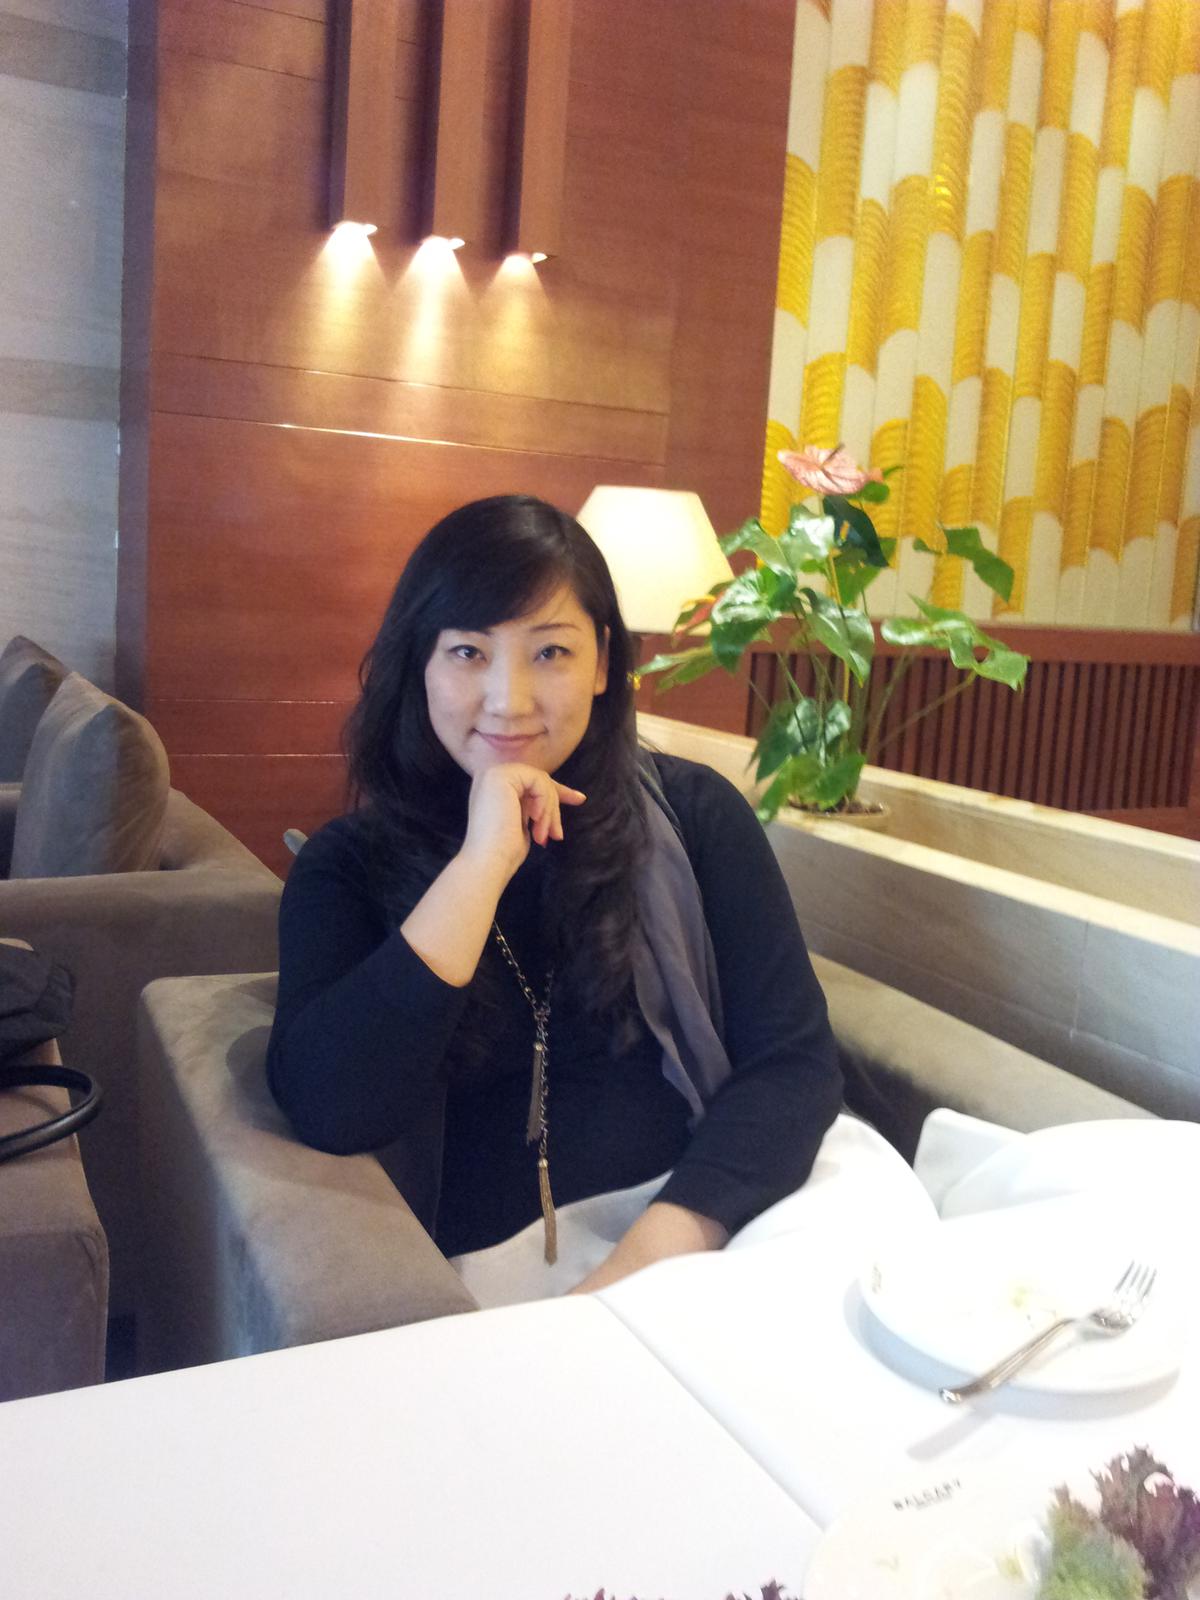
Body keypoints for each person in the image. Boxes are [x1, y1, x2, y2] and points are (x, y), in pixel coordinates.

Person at [267, 494, 841, 1294]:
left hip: (697, 1242)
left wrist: (635, 1271)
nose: (510, 699)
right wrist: (480, 866)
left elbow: (795, 1067)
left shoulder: (695, 816)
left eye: (550, 652)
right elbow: (331, 1107)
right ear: (419, 664)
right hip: (476, 1285)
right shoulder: (349, 864)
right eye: (468, 652)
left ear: (603, 663)